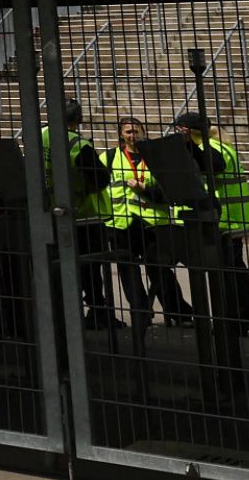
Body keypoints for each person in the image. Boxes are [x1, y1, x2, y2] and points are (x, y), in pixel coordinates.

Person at [173, 109, 249, 327]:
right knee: (233, 270)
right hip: (228, 220)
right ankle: (246, 315)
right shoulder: (219, 145)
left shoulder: (210, 149)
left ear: (187, 131)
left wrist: (188, 147)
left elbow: (214, 166)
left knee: (226, 273)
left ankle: (237, 318)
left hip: (221, 221)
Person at [106, 117, 194, 327]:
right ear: (121, 134)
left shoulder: (156, 158)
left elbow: (169, 191)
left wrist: (144, 190)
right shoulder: (109, 157)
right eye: (128, 132)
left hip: (152, 222)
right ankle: (141, 312)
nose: (132, 135)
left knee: (159, 267)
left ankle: (179, 313)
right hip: (121, 222)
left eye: (136, 131)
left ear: (143, 132)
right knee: (128, 268)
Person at [45, 101, 116, 328]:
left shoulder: (40, 136)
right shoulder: (78, 144)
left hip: (50, 210)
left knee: (57, 266)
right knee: (90, 268)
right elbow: (101, 180)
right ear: (78, 120)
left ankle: (60, 313)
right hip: (83, 214)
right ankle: (96, 311)